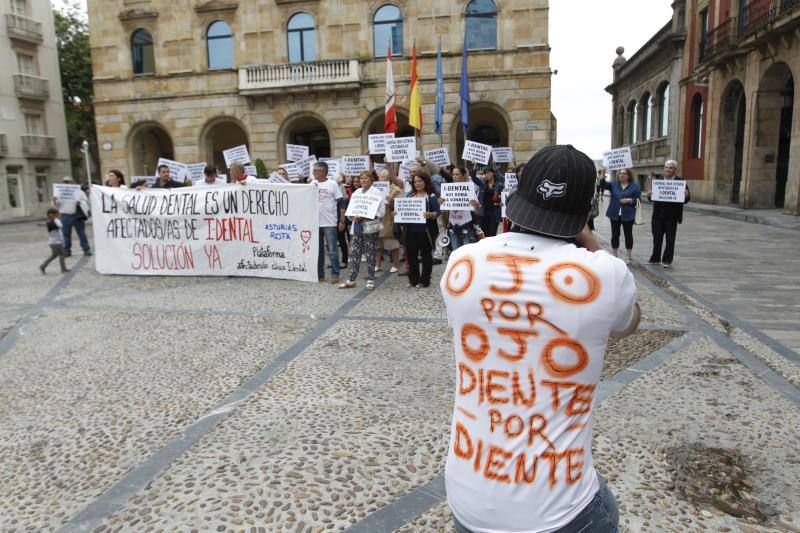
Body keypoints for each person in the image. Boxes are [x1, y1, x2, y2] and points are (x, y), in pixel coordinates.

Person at [441, 144, 640, 533]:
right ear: (586, 213)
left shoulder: (462, 261)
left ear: (517, 199)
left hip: (467, 493)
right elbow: (629, 323)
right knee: (606, 508)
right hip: (559, 511)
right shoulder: (605, 274)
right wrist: (591, 241)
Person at [340, 171, 385, 290]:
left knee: (370, 253)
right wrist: (352, 216)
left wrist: (365, 216)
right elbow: (351, 209)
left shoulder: (376, 193)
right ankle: (351, 279)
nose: (363, 180)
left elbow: (381, 212)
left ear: (371, 180)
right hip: (358, 227)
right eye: (361, 178)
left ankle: (370, 279)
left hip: (370, 227)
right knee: (354, 253)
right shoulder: (357, 192)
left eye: (366, 178)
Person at [645, 159, 690, 268]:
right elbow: (651, 198)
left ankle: (667, 260)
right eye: (666, 167)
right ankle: (655, 258)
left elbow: (685, 198)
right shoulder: (658, 180)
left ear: (675, 169)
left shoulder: (680, 182)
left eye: (670, 168)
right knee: (656, 238)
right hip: (657, 215)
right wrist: (649, 194)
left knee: (670, 240)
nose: (667, 169)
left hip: (672, 217)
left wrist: (687, 195)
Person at [401, 174, 440, 288]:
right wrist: (398, 214)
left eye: (420, 181)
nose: (417, 183)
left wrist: (431, 214)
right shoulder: (409, 196)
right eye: (415, 182)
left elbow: (438, 211)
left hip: (425, 231)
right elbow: (404, 209)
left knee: (426, 256)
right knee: (412, 256)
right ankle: (413, 279)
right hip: (411, 231)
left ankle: (424, 280)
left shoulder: (431, 196)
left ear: (425, 182)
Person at [600, 168, 641, 263]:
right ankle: (614, 254)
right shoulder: (614, 184)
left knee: (628, 235)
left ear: (629, 175)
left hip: (628, 214)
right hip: (614, 214)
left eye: (624, 173)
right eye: (620, 173)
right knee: (615, 234)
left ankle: (628, 256)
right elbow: (603, 185)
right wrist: (602, 174)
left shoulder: (634, 186)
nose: (621, 175)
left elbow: (638, 200)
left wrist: (629, 200)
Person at [313, 161, 345, 284]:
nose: (314, 173)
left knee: (332, 250)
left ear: (323, 171)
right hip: (315, 223)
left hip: (330, 222)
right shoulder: (312, 183)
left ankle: (335, 273)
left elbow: (341, 202)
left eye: (316, 171)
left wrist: (342, 220)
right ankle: (320, 274)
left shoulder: (332, 184)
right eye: (314, 170)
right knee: (318, 251)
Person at [441, 165, 481, 251]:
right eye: (453, 174)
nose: (454, 177)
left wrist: (476, 205)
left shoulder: (469, 190)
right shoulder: (447, 190)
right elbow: (444, 211)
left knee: (467, 253)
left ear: (462, 176)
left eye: (457, 174)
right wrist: (441, 203)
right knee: (456, 252)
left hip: (466, 225)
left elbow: (477, 212)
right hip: (453, 226)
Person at [53, 177, 91, 257]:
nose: (67, 183)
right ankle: (67, 250)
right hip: (64, 215)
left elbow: (87, 202)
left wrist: (80, 203)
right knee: (66, 234)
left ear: (73, 182)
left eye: (69, 182)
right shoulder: (59, 192)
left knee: (81, 233)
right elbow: (55, 206)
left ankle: (86, 249)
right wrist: (54, 200)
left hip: (77, 215)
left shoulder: (79, 192)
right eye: (65, 182)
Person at [375, 169, 403, 273]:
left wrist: (391, 201)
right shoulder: (375, 189)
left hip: (389, 221)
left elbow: (400, 206)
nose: (381, 179)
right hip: (378, 220)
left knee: (392, 244)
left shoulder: (395, 190)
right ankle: (377, 264)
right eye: (380, 177)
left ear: (388, 178)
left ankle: (395, 264)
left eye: (383, 177)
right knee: (377, 245)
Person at [39, 207, 69, 274]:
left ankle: (43, 266)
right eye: (57, 214)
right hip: (56, 242)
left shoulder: (51, 221)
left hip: (53, 242)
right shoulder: (52, 222)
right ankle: (63, 268)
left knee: (54, 255)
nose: (59, 215)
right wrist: (56, 219)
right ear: (51, 215)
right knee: (62, 254)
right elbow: (60, 225)